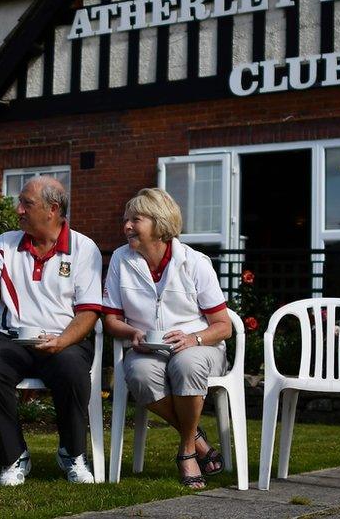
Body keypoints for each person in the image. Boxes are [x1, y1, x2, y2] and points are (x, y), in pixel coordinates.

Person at [0, 176, 102, 485]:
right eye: (19, 202)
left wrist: (62, 341)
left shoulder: (84, 248)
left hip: (63, 339)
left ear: (52, 209)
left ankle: (72, 454)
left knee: (73, 369)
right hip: (11, 338)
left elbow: (89, 312)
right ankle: (14, 456)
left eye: (26, 203)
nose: (18, 209)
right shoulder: (5, 243)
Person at [101, 188, 232, 489]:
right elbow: (111, 319)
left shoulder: (195, 262)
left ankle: (186, 451)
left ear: (159, 224)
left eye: (136, 219)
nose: (127, 227)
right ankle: (197, 439)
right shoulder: (122, 259)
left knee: (186, 364)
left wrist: (194, 338)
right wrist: (132, 332)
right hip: (147, 349)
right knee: (139, 372)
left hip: (200, 346)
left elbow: (223, 326)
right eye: (126, 220)